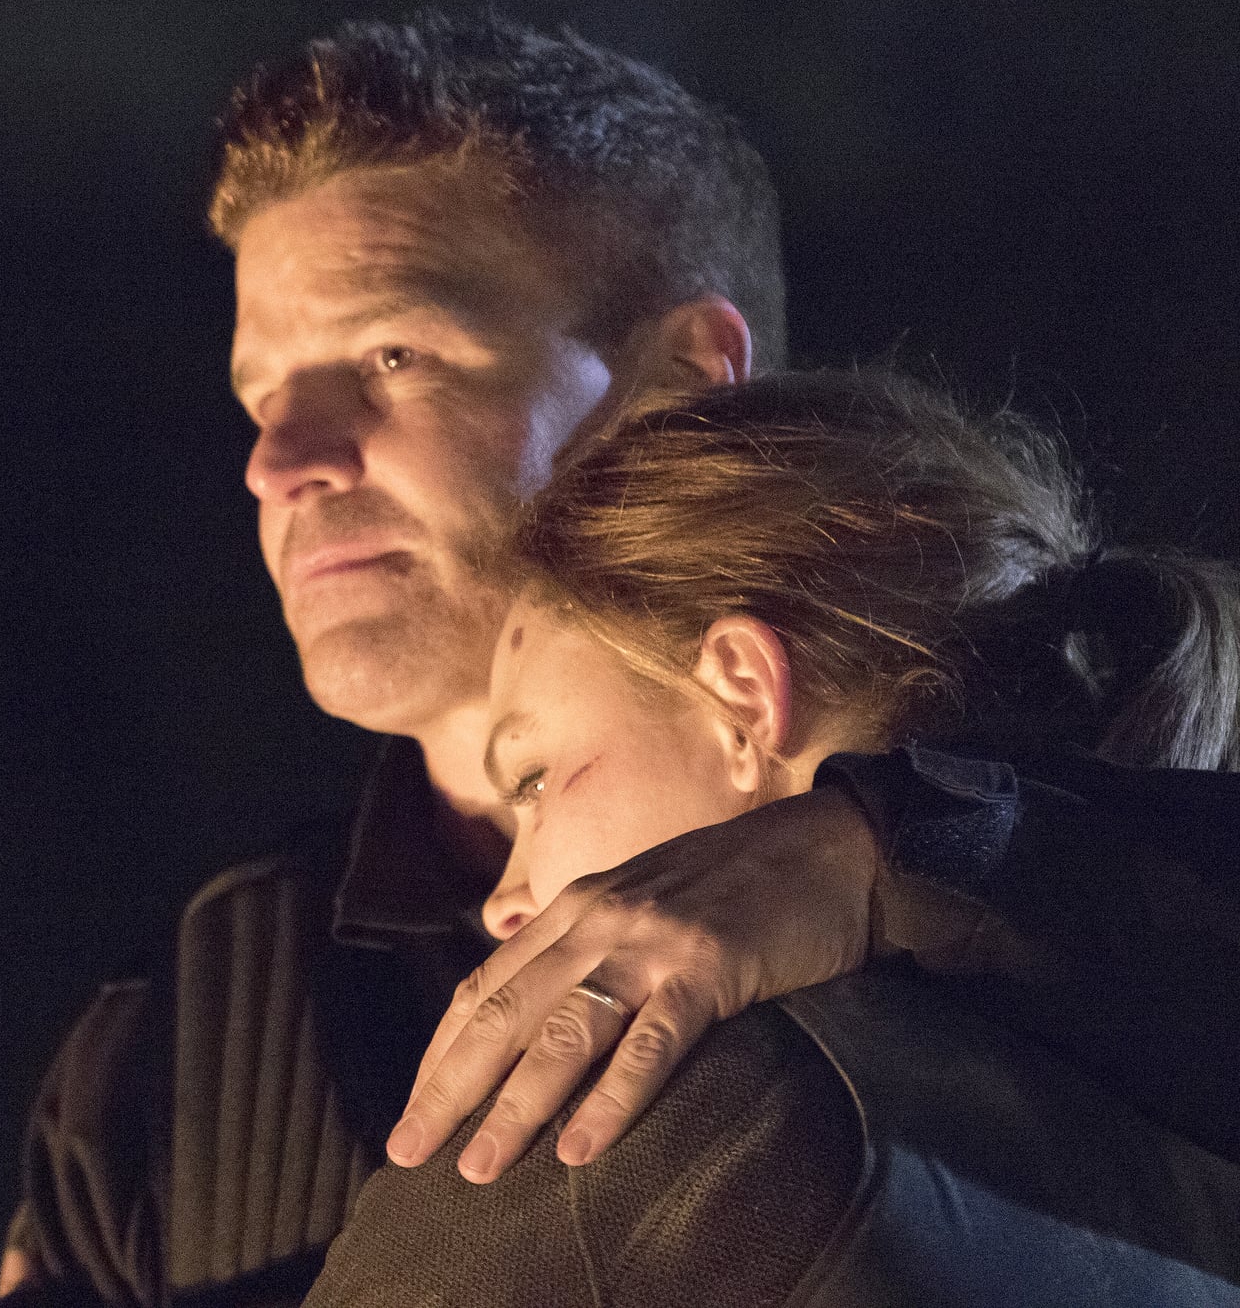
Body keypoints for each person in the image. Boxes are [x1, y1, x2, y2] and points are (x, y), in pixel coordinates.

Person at [0, 14, 1240, 1308]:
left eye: (391, 356)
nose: (279, 461)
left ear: (684, 376)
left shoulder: (1106, 838)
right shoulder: (182, 1032)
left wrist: (875, 853)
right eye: (260, 397)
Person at [305, 368, 1240, 1307]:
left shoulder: (636, 1141)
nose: (501, 902)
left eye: (536, 778)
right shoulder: (1166, 1098)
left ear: (743, 697)